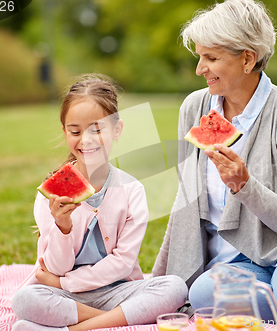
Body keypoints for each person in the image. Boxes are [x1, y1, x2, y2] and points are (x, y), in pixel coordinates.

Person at [151, 0, 277, 321]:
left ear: (247, 59)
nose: (199, 69)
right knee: (202, 295)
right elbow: (185, 200)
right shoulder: (194, 109)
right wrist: (157, 280)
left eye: (211, 58)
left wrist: (245, 185)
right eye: (200, 57)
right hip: (241, 261)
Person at [11, 74, 188, 331]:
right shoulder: (50, 195)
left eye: (97, 129)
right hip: (71, 298)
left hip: (117, 289)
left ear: (117, 130)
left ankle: (77, 328)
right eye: (75, 131)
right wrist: (62, 226)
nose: (86, 140)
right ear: (65, 132)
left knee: (174, 287)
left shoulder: (132, 190)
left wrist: (63, 284)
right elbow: (55, 268)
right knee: (25, 299)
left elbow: (123, 262)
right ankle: (114, 321)